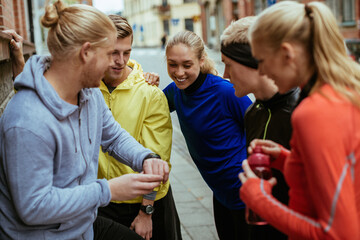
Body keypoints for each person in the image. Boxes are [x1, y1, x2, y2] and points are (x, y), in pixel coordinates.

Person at [0, 1, 170, 239]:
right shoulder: (27, 119)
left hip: (82, 226)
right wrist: (108, 190)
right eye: (110, 54)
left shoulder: (88, 94)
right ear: (86, 53)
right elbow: (34, 207)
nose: (118, 64)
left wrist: (145, 157)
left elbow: (113, 136)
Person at [239, 1, 360, 239]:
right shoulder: (344, 90)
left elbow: (338, 234)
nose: (261, 72)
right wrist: (289, 159)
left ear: (287, 54)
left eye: (261, 61)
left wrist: (259, 199)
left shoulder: (314, 112)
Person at [96, 15, 181, 240]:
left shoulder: (150, 93)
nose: (121, 60)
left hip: (142, 203)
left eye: (127, 53)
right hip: (101, 200)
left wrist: (146, 212)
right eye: (114, 52)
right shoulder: (87, 90)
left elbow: (158, 156)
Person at [163, 30, 253, 240]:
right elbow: (149, 105)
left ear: (201, 60)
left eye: (187, 65)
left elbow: (258, 131)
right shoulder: (176, 91)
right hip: (219, 191)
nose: (179, 72)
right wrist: (141, 77)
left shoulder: (225, 91)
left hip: (244, 192)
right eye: (172, 64)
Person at [220, 16, 300, 240]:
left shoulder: (299, 113)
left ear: (253, 63)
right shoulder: (252, 112)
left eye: (228, 64)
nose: (225, 75)